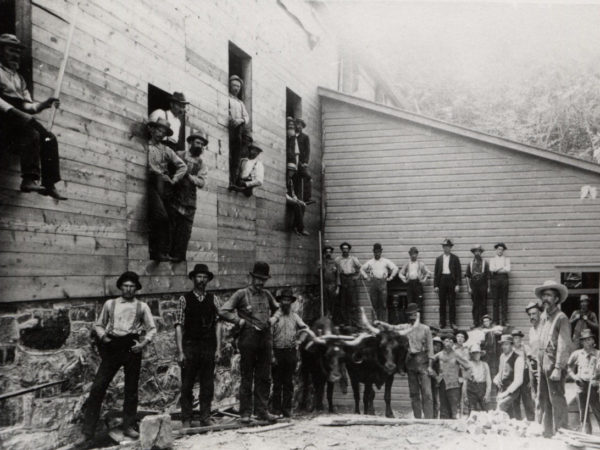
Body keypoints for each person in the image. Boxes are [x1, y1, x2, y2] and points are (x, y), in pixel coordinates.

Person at [82, 272, 156, 439]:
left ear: (136, 288)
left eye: (132, 286)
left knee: (131, 389)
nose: (128, 289)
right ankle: (88, 430)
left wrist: (143, 344)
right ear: (121, 287)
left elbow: (152, 329)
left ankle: (128, 426)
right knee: (98, 386)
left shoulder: (142, 307)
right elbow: (99, 325)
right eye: (125, 286)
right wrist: (105, 338)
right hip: (113, 346)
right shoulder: (110, 304)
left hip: (132, 347)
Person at [0, 33, 66, 199]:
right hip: (3, 117)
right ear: (1, 51)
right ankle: (28, 180)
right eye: (11, 50)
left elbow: (27, 105)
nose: (15, 55)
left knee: (49, 138)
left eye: (17, 52)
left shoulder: (19, 79)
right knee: (31, 133)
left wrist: (43, 104)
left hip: (18, 117)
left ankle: (49, 184)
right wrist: (13, 111)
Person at [219, 262, 279, 423]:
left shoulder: (267, 295)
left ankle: (262, 411)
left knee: (264, 377)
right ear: (252, 277)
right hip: (248, 338)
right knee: (247, 377)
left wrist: (274, 318)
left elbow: (278, 309)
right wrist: (238, 321)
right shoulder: (241, 294)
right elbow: (223, 310)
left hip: (265, 338)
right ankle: (245, 413)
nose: (260, 282)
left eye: (263, 279)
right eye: (258, 279)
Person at [175, 264, 222, 427]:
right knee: (187, 384)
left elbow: (218, 325)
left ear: (208, 280)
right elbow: (179, 326)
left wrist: (218, 348)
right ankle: (186, 418)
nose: (201, 280)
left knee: (207, 383)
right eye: (199, 277)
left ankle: (205, 416)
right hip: (190, 346)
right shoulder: (184, 299)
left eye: (204, 277)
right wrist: (180, 351)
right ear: (193, 279)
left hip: (208, 346)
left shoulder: (214, 299)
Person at [146, 117, 187, 262]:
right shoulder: (144, 146)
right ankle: (157, 251)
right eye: (158, 129)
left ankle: (162, 252)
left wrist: (174, 179)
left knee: (169, 218)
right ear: (151, 129)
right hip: (149, 182)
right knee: (160, 216)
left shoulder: (166, 149)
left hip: (163, 184)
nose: (160, 134)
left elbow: (183, 166)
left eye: (163, 132)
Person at [535, 280, 572, 437]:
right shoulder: (544, 317)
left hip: (553, 364)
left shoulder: (561, 317)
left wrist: (558, 367)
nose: (545, 298)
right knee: (543, 398)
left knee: (556, 398)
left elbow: (564, 345)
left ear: (557, 299)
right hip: (542, 362)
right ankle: (547, 432)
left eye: (549, 295)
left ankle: (562, 431)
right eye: (544, 295)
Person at [269, 288, 312, 418]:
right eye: (284, 300)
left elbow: (305, 328)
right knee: (277, 383)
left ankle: (287, 409)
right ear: (280, 301)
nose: (286, 302)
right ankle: (276, 410)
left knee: (288, 383)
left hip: (290, 352)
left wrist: (299, 341)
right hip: (277, 352)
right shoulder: (275, 316)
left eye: (288, 300)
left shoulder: (294, 316)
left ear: (291, 302)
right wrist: (271, 354)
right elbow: (269, 335)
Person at [170, 131, 209, 262]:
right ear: (190, 142)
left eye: (202, 145)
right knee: (171, 225)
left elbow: (202, 182)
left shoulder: (202, 164)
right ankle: (167, 253)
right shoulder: (179, 154)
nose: (200, 146)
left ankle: (179, 256)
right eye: (198, 143)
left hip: (189, 200)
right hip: (174, 195)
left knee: (185, 230)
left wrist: (190, 177)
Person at [430, 332, 471, 419]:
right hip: (442, 382)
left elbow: (468, 366)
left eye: (451, 342)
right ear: (443, 343)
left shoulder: (456, 354)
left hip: (454, 384)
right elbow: (431, 358)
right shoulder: (440, 354)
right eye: (446, 341)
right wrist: (433, 372)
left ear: (453, 344)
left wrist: (463, 378)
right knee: (443, 406)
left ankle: (454, 427)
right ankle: (444, 427)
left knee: (453, 407)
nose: (448, 343)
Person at [567, 328, 600, 434]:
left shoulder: (598, 354)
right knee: (582, 410)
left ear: (593, 341)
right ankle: (586, 431)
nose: (587, 342)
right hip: (580, 384)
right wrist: (574, 376)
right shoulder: (577, 354)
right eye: (584, 340)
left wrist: (597, 381)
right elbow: (568, 367)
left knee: (596, 409)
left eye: (589, 339)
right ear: (581, 342)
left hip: (593, 385)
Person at [360, 243, 398, 321]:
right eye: (375, 252)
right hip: (373, 283)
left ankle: (384, 323)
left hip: (383, 283)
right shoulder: (370, 262)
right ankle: (375, 323)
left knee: (383, 304)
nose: (377, 253)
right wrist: (366, 277)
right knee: (374, 304)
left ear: (381, 252)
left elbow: (395, 268)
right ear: (373, 252)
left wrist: (391, 277)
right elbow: (361, 269)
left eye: (378, 251)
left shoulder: (385, 261)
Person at [494, 334, 524, 419]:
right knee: (500, 416)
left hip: (512, 392)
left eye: (506, 344)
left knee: (505, 409)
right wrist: (496, 379)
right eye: (502, 344)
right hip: (502, 390)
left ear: (512, 345)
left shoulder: (518, 358)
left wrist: (505, 393)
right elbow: (501, 372)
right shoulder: (502, 356)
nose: (504, 346)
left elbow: (519, 380)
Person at [434, 239, 462, 328]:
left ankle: (452, 322)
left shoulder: (455, 258)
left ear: (450, 248)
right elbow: (436, 273)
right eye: (445, 247)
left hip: (451, 280)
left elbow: (458, 272)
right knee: (442, 303)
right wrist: (436, 285)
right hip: (442, 280)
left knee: (452, 303)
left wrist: (457, 284)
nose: (446, 248)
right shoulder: (439, 259)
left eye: (448, 247)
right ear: (443, 248)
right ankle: (442, 323)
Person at [228, 75, 249, 184]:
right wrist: (231, 119)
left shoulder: (241, 103)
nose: (236, 88)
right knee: (229, 154)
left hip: (238, 131)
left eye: (238, 86)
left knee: (236, 157)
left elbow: (246, 117)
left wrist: (240, 120)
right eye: (234, 85)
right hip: (229, 129)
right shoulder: (227, 98)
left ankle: (233, 180)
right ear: (230, 86)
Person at [335, 242, 362, 328]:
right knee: (343, 303)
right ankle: (345, 323)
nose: (345, 250)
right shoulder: (338, 260)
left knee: (353, 302)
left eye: (346, 249)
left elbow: (360, 268)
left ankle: (355, 323)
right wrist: (338, 285)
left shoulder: (353, 259)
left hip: (351, 279)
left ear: (349, 250)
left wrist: (357, 277)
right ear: (341, 250)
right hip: (343, 280)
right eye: (343, 249)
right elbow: (337, 273)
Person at [511, 329, 535, 421]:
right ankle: (517, 421)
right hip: (514, 375)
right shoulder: (511, 348)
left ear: (521, 339)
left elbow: (530, 362)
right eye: (514, 338)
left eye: (518, 338)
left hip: (524, 374)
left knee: (527, 399)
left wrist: (530, 378)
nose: (516, 340)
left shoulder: (525, 347)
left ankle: (531, 420)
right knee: (515, 399)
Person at [399, 247, 431, 314]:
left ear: (417, 254)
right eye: (412, 254)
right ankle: (411, 322)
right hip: (410, 285)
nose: (413, 256)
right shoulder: (407, 264)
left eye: (415, 254)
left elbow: (428, 273)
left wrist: (423, 280)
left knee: (419, 303)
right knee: (410, 303)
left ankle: (419, 322)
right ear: (409, 255)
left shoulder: (420, 264)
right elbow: (400, 274)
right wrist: (405, 280)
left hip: (418, 285)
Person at [526, 301, 543, 422]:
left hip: (543, 365)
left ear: (540, 313)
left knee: (544, 395)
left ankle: (545, 423)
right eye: (530, 314)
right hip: (533, 365)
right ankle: (538, 422)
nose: (532, 317)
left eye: (534, 313)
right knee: (534, 394)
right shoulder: (531, 330)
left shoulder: (545, 328)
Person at [465, 245, 490, 327]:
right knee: (475, 305)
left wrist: (488, 287)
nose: (477, 253)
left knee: (483, 304)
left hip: (483, 285)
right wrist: (469, 287)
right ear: (473, 253)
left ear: (481, 252)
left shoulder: (485, 263)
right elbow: (467, 276)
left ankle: (484, 323)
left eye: (479, 251)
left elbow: (488, 276)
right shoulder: (470, 263)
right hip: (474, 286)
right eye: (476, 251)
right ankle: (475, 322)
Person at [489, 243, 510, 326]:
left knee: (504, 301)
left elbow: (508, 269)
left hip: (504, 280)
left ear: (503, 251)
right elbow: (491, 269)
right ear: (496, 250)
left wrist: (497, 269)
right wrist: (502, 268)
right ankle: (495, 321)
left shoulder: (506, 259)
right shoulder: (492, 259)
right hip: (495, 280)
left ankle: (504, 321)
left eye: (501, 249)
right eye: (498, 249)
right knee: (495, 301)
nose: (500, 251)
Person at [466, 343, 491, 413]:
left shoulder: (485, 365)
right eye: (474, 353)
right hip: (471, 388)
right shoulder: (469, 364)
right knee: (472, 411)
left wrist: (487, 394)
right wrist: (465, 395)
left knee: (485, 411)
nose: (476, 355)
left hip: (482, 388)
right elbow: (465, 380)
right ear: (472, 354)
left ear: (480, 354)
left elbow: (488, 380)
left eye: (477, 353)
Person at [285, 163, 308, 236]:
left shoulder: (290, 180)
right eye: (290, 171)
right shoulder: (284, 179)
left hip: (289, 198)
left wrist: (298, 200)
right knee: (297, 205)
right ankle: (301, 228)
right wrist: (292, 200)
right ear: (287, 171)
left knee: (303, 205)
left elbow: (293, 193)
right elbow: (283, 193)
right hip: (284, 198)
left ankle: (295, 227)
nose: (292, 173)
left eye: (293, 171)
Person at [292, 117, 312, 203]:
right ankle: (294, 198)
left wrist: (305, 162)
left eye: (300, 125)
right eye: (297, 124)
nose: (298, 126)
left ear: (302, 127)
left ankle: (307, 198)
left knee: (308, 176)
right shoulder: (291, 136)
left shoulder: (305, 137)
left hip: (301, 162)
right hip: (293, 161)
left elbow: (307, 150)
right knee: (294, 179)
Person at [319, 245, 338, 319]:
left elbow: (338, 275)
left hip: (332, 285)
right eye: (327, 252)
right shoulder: (322, 262)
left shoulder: (334, 262)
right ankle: (325, 318)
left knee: (332, 302)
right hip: (324, 285)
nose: (328, 253)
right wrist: (319, 267)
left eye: (330, 252)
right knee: (325, 302)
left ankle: (332, 318)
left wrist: (337, 288)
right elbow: (317, 274)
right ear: (324, 253)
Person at [431, 336, 444, 418]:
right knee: (431, 398)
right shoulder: (429, 356)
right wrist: (436, 377)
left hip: (440, 380)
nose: (437, 347)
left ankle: (437, 416)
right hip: (431, 380)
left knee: (438, 399)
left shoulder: (441, 356)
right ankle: (431, 415)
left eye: (439, 346)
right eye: (435, 345)